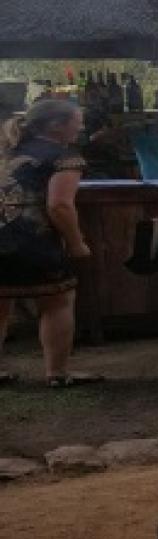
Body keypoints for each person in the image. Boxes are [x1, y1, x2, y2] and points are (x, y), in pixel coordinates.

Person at [0, 100, 102, 387]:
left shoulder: (6, 148)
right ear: (57, 125)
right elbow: (59, 206)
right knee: (57, 301)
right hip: (33, 240)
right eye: (76, 121)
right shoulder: (63, 157)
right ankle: (57, 373)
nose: (81, 127)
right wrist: (77, 243)